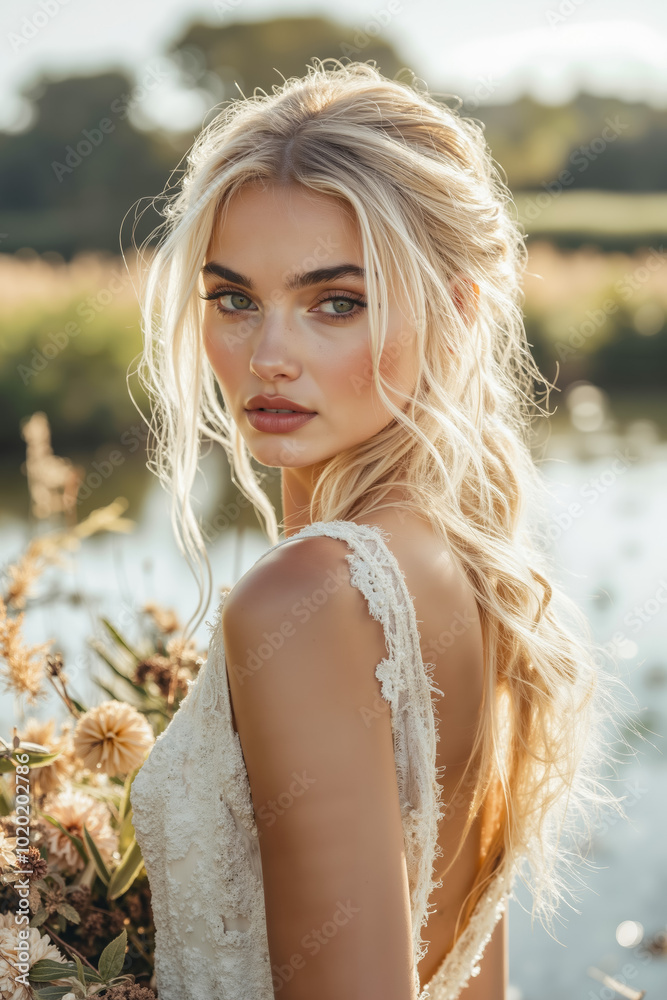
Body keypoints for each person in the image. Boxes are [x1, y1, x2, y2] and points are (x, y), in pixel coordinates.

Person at [128, 59, 633, 1000]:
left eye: (335, 303)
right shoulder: (455, 557)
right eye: (235, 299)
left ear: (455, 310)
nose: (267, 357)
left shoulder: (314, 595)